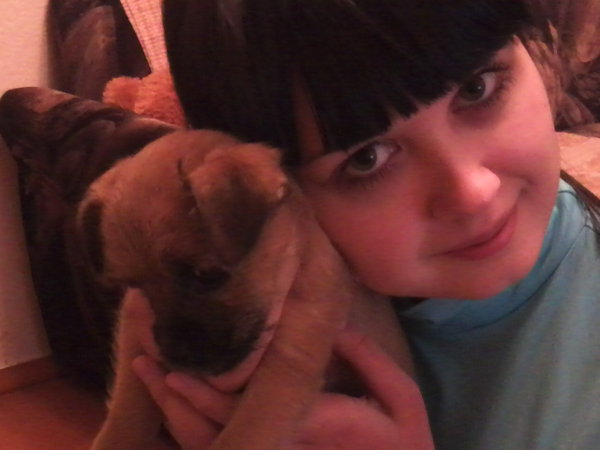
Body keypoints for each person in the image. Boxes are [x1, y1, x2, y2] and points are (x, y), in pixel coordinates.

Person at [130, 0, 600, 448]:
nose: (472, 192)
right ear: (277, 198)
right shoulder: (236, 332)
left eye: (477, 88)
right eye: (367, 158)